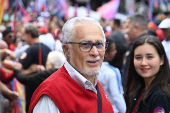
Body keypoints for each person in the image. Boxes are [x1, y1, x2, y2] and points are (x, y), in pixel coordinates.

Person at [29, 17, 114, 113]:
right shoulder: (51, 95)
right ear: (66, 50)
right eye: (86, 44)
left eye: (99, 44)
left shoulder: (94, 83)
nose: (95, 52)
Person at [124, 35, 170, 113]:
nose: (143, 63)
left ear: (162, 60)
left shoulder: (161, 96)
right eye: (138, 57)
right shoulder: (138, 89)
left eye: (149, 57)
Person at [19, 23, 51, 112]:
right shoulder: (48, 48)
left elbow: (18, 68)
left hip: (33, 92)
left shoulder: (30, 50)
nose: (23, 38)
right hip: (46, 91)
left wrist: (28, 71)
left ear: (29, 34)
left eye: (23, 35)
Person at [98, 38, 126, 113]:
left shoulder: (92, 69)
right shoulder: (113, 72)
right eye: (113, 50)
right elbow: (117, 96)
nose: (115, 52)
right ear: (106, 53)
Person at [122, 13, 149, 88]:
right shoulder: (138, 44)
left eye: (127, 27)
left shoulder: (143, 45)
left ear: (136, 27)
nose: (126, 31)